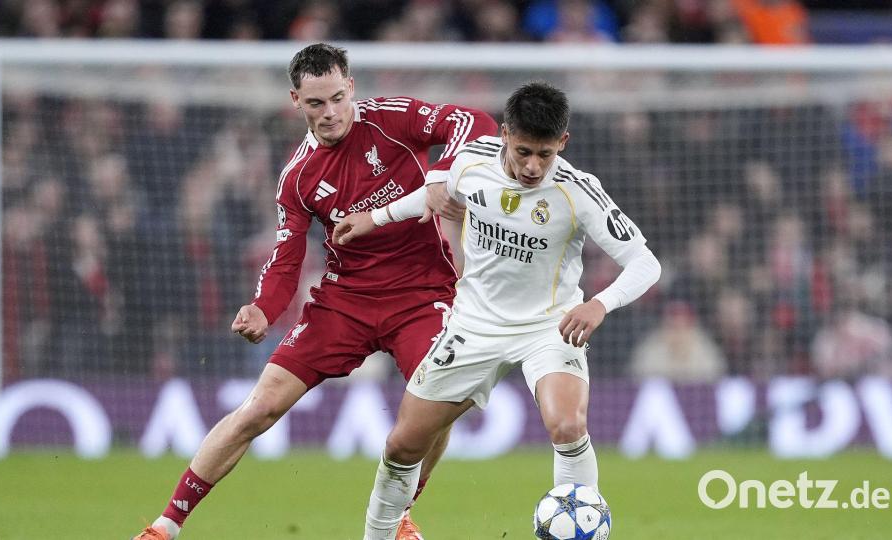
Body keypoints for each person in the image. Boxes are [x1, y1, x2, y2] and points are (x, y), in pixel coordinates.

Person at [133, 43, 497, 540]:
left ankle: (398, 516)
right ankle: (164, 526)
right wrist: (263, 308)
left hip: (422, 294)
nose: (330, 114)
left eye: (337, 98)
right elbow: (286, 258)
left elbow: (474, 121)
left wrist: (439, 176)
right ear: (295, 102)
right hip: (343, 302)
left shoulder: (393, 118)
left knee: (435, 404)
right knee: (258, 408)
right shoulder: (298, 177)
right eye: (315, 104)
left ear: (351, 88)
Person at [332, 81, 662, 539]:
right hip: (473, 324)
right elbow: (434, 196)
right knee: (403, 443)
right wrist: (376, 217)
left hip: (550, 326)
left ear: (562, 143)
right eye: (524, 151)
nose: (532, 166)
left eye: (544, 155)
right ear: (505, 134)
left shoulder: (578, 191)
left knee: (568, 425)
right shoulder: (470, 161)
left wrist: (598, 304)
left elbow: (645, 263)